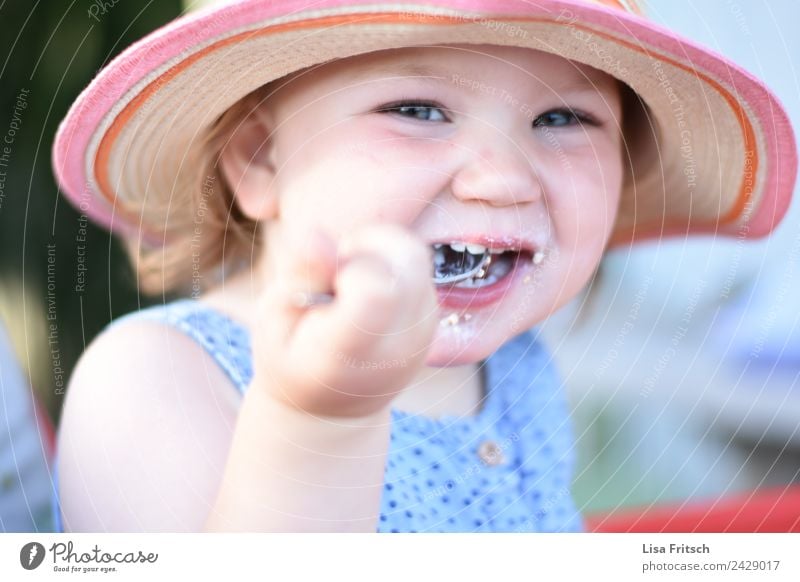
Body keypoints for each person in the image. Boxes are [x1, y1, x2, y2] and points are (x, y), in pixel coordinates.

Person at [50, 0, 796, 532]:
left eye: (562, 118)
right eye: (418, 109)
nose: (502, 179)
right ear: (260, 156)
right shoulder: (154, 380)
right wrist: (319, 422)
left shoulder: (519, 370)